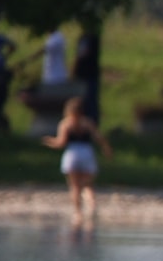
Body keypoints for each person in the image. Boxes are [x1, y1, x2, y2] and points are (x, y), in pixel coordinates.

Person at [42, 97, 112, 228]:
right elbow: (98, 137)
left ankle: (78, 213)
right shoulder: (87, 122)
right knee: (88, 184)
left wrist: (48, 142)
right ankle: (92, 205)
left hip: (72, 154)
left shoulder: (66, 124)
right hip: (87, 153)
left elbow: (60, 143)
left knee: (74, 186)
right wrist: (107, 149)